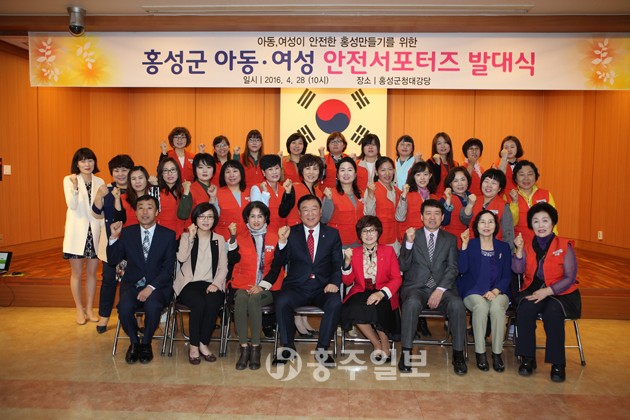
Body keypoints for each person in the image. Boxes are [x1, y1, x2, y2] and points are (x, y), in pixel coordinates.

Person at [263, 195, 343, 367]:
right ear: (299, 214)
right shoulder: (291, 233)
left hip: (323, 287)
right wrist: (282, 242)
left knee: (335, 302)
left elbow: (337, 264)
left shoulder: (332, 234)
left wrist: (334, 283)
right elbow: (279, 262)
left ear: (320, 212)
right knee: (282, 301)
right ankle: (287, 348)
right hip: (297, 287)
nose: (310, 214)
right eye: (305, 210)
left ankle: (322, 349)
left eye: (314, 209)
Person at [512, 202, 581, 383]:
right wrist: (519, 249)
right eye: (536, 221)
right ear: (531, 224)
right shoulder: (527, 245)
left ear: (553, 223)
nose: (540, 225)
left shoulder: (564, 245)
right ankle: (527, 358)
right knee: (525, 309)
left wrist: (548, 291)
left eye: (545, 220)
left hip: (561, 293)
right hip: (535, 289)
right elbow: (518, 270)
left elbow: (570, 277)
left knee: (553, 312)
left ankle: (558, 364)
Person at [398, 199, 467, 375]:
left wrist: (439, 290)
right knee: (411, 303)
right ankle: (406, 353)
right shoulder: (412, 235)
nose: (432, 217)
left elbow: (452, 268)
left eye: (436, 214)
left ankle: (459, 355)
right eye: (428, 213)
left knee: (457, 305)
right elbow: (403, 266)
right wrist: (408, 244)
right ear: (421, 217)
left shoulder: (450, 239)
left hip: (442, 288)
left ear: (442, 217)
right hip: (416, 288)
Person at [107, 195, 177, 364]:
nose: (145, 212)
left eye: (149, 207)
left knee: (153, 306)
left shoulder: (168, 235)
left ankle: (146, 343)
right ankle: (134, 342)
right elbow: (113, 259)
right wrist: (113, 238)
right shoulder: (127, 233)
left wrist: (150, 287)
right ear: (136, 212)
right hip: (132, 285)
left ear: (157, 212)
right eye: (141, 208)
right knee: (124, 307)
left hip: (158, 286)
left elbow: (168, 269)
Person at [341, 216, 402, 361]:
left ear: (378, 232)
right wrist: (347, 262)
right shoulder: (354, 252)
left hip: (383, 290)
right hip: (361, 290)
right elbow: (347, 281)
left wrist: (381, 294)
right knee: (354, 308)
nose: (368, 234)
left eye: (372, 230)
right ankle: (376, 344)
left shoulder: (388, 251)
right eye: (365, 231)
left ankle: (385, 343)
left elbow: (397, 278)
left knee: (379, 307)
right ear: (360, 234)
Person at [231, 202, 283, 370]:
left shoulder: (275, 237)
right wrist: (232, 239)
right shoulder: (240, 237)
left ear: (266, 218)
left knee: (254, 300)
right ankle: (244, 348)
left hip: (268, 287)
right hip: (243, 283)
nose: (256, 220)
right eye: (252, 216)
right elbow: (231, 261)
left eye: (260, 216)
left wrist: (261, 286)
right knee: (240, 299)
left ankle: (255, 347)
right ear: (247, 218)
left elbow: (276, 267)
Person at [174, 203, 228, 365]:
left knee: (212, 303)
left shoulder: (219, 239)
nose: (206, 220)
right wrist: (191, 238)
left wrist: (216, 284)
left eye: (210, 217)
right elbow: (181, 258)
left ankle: (203, 343)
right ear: (195, 219)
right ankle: (194, 346)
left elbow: (223, 267)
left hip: (211, 283)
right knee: (198, 303)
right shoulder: (186, 236)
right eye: (202, 217)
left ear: (214, 219)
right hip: (189, 283)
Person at [457, 211, 511, 372]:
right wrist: (464, 246)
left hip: (498, 291)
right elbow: (462, 269)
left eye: (490, 222)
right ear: (476, 226)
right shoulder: (470, 244)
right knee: (481, 306)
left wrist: (495, 291)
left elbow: (507, 275)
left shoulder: (504, 247)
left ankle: (497, 353)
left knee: (496, 308)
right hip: (473, 290)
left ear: (496, 225)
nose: (486, 226)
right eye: (482, 222)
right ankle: (480, 353)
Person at [91, 154, 135, 333]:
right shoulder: (106, 190)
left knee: (133, 281)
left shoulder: (137, 188)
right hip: (111, 242)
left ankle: (136, 317)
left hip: (132, 243)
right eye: (116, 170)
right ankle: (104, 316)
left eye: (124, 170)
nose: (120, 174)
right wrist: (98, 196)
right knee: (108, 280)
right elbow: (96, 213)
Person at [63, 147, 105, 325]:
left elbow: (101, 209)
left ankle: (89, 308)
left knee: (92, 273)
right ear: (77, 163)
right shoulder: (69, 179)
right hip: (77, 233)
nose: (87, 164)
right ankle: (79, 309)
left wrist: (103, 233)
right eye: (82, 160)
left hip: (94, 232)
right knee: (77, 273)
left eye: (90, 160)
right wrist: (74, 187)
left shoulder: (100, 181)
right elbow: (72, 205)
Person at [461, 168, 515, 248]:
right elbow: (464, 220)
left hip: (495, 248)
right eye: (486, 181)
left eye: (494, 183)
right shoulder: (474, 200)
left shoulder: (504, 206)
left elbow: (508, 233)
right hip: (473, 246)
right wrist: (470, 204)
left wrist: (508, 252)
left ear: (499, 188)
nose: (489, 185)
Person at [321, 156, 365, 249]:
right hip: (338, 244)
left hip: (359, 243)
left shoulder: (362, 194)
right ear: (337, 174)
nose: (346, 173)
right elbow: (324, 219)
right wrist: (328, 200)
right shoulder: (330, 193)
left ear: (355, 174)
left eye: (350, 170)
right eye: (342, 170)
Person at [512, 160, 557, 245]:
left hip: (544, 244)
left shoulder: (546, 194)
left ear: (536, 176)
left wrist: (554, 242)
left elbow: (553, 221)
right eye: (521, 175)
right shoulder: (509, 196)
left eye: (530, 174)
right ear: (515, 178)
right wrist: (514, 202)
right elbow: (510, 223)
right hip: (519, 244)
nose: (526, 178)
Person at [364, 156, 402, 254]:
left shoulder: (398, 191)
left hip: (397, 238)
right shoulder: (372, 189)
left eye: (390, 169)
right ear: (376, 172)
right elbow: (368, 215)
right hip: (381, 238)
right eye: (383, 170)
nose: (387, 173)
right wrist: (371, 195)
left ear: (394, 171)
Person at [395, 161, 438, 242]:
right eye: (418, 175)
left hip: (429, 239)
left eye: (425, 174)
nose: (422, 178)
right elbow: (400, 218)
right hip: (411, 238)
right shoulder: (407, 195)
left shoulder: (434, 197)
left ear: (430, 176)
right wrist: (403, 196)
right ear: (413, 177)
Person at [250, 154, 293, 232]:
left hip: (284, 231)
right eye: (270, 169)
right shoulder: (257, 188)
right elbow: (259, 213)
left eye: (277, 168)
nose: (274, 172)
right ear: (263, 172)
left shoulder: (284, 188)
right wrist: (265, 193)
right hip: (266, 231)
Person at [209, 160, 251, 240]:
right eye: (227, 172)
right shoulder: (217, 193)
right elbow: (213, 216)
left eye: (235, 171)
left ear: (241, 173)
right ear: (223, 176)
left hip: (247, 236)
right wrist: (212, 198)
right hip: (225, 237)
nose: (231, 175)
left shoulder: (250, 191)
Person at [285, 154, 324, 226]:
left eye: (315, 169)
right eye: (308, 168)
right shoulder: (293, 188)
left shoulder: (319, 192)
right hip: (294, 228)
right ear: (302, 171)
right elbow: (283, 212)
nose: (311, 172)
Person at [177, 153, 217, 224]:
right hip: (194, 228)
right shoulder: (189, 189)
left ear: (214, 170)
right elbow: (183, 215)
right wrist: (186, 193)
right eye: (200, 167)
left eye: (208, 167)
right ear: (195, 170)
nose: (205, 171)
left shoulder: (217, 189)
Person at [441, 166, 473, 248]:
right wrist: (448, 200)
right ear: (450, 184)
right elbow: (444, 222)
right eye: (455, 181)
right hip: (451, 243)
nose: (460, 184)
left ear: (468, 181)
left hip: (471, 242)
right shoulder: (444, 199)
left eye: (463, 179)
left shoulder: (473, 198)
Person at [156, 157, 186, 239]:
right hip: (162, 235)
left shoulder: (185, 190)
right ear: (161, 174)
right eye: (165, 170)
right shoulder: (156, 191)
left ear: (178, 172)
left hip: (183, 236)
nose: (170, 174)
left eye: (173, 170)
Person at [427, 132, 459, 198]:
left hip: (452, 198)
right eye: (439, 143)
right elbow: (431, 184)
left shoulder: (455, 164)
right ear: (435, 147)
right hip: (436, 198)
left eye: (445, 143)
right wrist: (437, 165)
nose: (443, 146)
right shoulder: (430, 162)